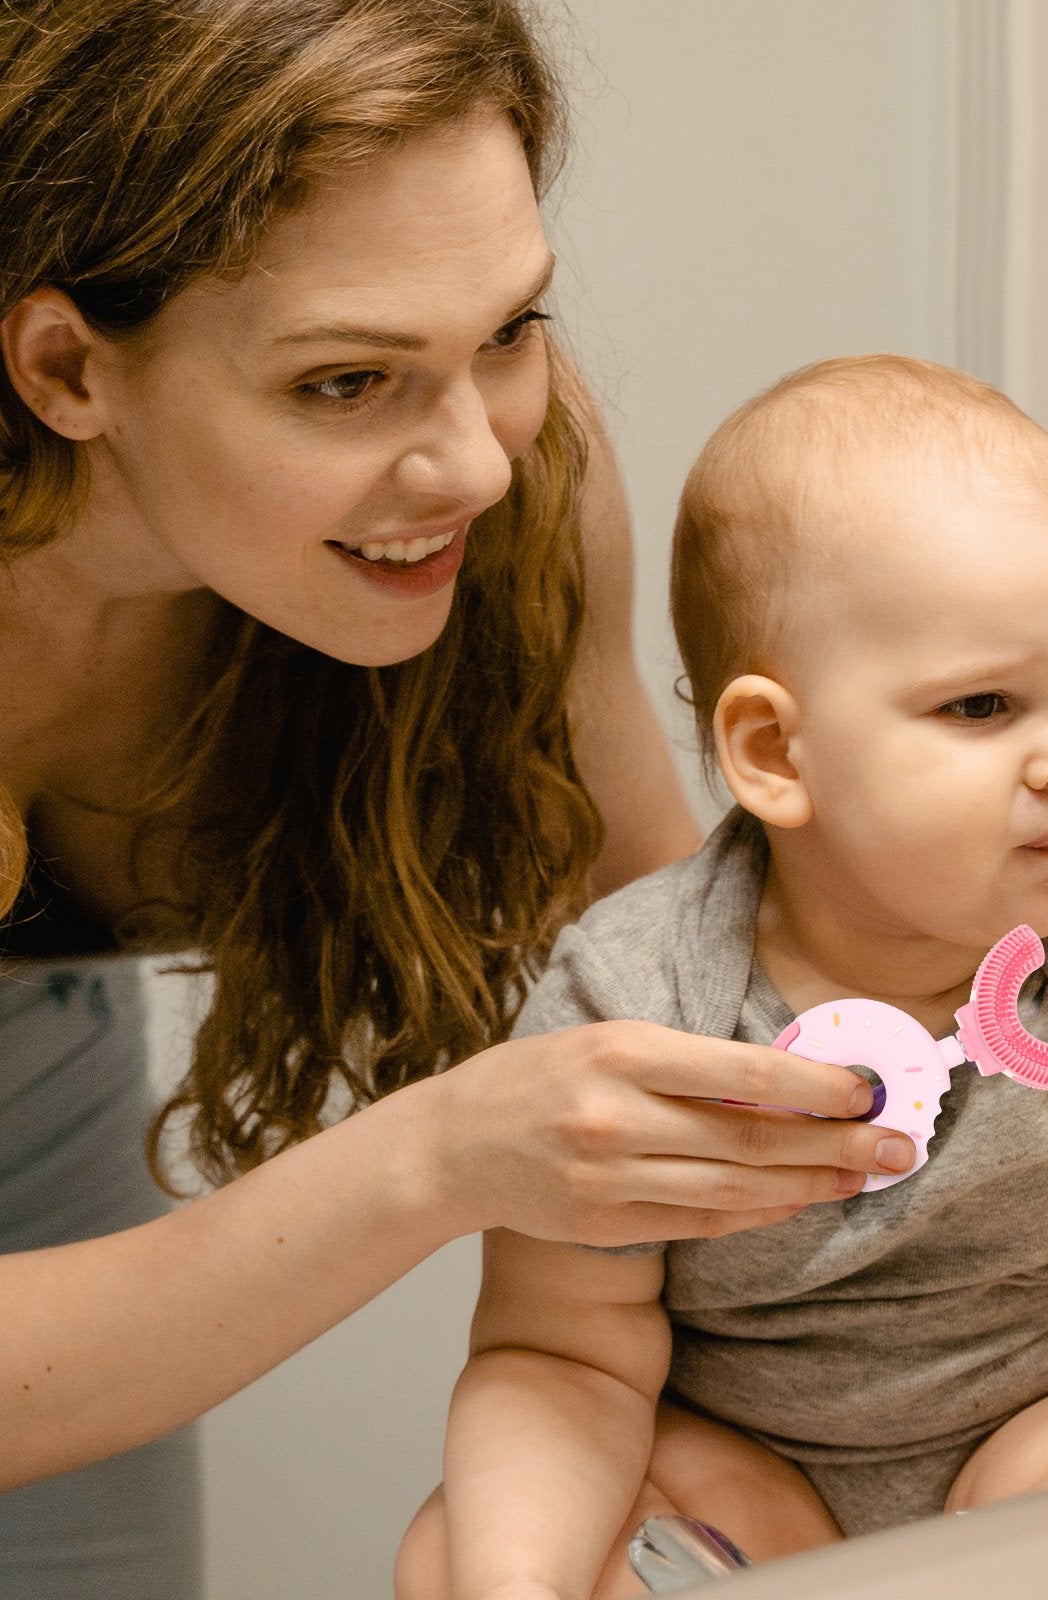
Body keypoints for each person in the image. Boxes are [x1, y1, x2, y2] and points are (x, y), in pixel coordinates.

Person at [0, 8, 916, 1597]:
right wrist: (437, 1163)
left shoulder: (512, 501)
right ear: (70, 366)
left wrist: (673, 1466)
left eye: (505, 331)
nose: (478, 464)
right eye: (347, 381)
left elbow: (702, 1016)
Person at [397, 355, 1048, 1599]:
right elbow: (562, 1352)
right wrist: (519, 1575)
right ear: (776, 751)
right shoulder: (635, 994)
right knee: (458, 1550)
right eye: (983, 705)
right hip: (753, 1473)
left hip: (1047, 1429)